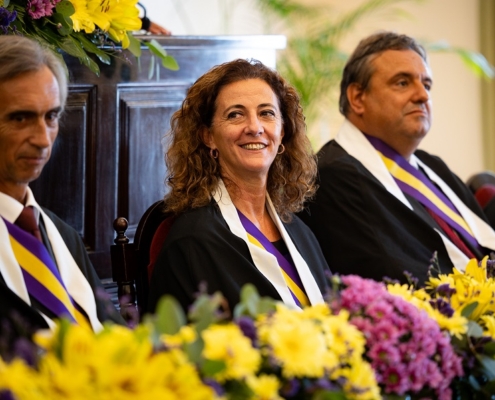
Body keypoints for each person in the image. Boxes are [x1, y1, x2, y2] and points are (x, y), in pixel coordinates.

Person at [298, 31, 495, 285]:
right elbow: (396, 275)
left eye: (426, 84)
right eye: (402, 83)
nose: (422, 95)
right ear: (358, 98)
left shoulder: (431, 165)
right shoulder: (332, 177)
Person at [148, 59, 331, 313]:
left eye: (267, 113)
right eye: (235, 114)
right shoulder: (192, 242)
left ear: (282, 133)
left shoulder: (299, 231)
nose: (255, 128)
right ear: (208, 137)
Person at [0, 36, 123, 342]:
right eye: (20, 117)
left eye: (51, 116)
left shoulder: (61, 234)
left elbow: (119, 338)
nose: (43, 139)